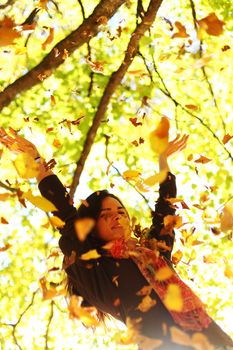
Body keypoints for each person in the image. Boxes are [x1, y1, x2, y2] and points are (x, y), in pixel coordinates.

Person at [0, 127, 232, 350]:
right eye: (105, 215)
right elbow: (67, 216)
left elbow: (165, 211)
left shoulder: (154, 253)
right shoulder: (94, 267)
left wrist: (163, 162)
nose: (117, 217)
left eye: (121, 212)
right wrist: (39, 164)